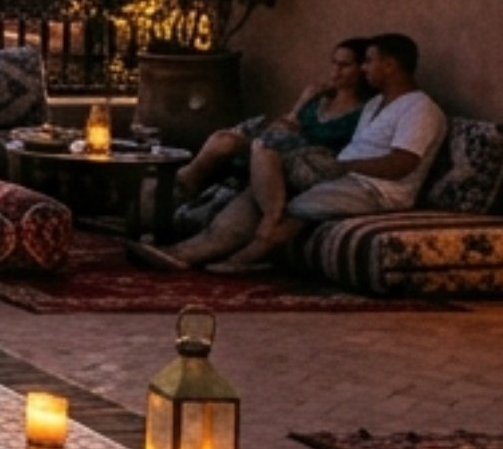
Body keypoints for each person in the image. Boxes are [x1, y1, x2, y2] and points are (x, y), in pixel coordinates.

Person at [140, 33, 441, 274]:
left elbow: (403, 163)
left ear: (390, 65)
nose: (364, 68)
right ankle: (184, 253)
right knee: (254, 185)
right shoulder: (377, 104)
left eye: (369, 62)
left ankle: (255, 246)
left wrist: (342, 165)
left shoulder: (420, 108)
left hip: (373, 188)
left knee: (269, 152)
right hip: (338, 173)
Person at [168, 37, 370, 222]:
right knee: (224, 140)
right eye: (334, 63)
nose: (336, 71)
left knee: (237, 146)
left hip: (299, 159)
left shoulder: (363, 111)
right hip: (276, 143)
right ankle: (186, 182)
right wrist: (303, 101)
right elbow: (286, 122)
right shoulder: (318, 98)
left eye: (345, 65)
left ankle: (184, 187)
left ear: (362, 68)